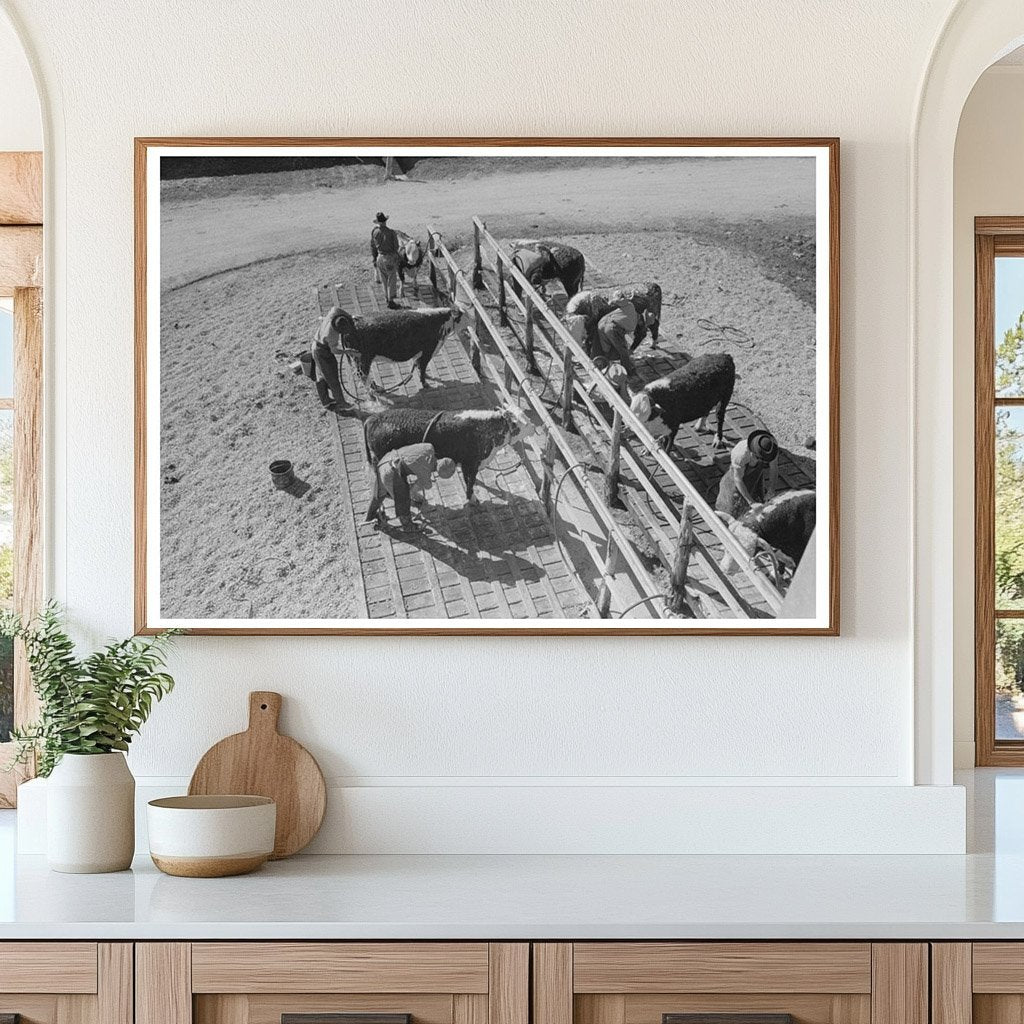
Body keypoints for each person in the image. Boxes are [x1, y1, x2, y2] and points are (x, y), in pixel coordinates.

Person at [365, 442, 457, 529]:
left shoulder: (429, 447)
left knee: (379, 493)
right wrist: (412, 496)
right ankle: (408, 526)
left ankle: (370, 516)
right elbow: (415, 490)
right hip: (391, 473)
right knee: (403, 500)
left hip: (385, 460)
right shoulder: (425, 472)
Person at [715, 429, 780, 519]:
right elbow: (738, 479)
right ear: (753, 453)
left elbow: (774, 468)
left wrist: (771, 490)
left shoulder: (771, 448)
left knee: (758, 495)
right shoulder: (740, 455)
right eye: (759, 458)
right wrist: (751, 503)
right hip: (738, 476)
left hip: (755, 473)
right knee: (732, 502)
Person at [594, 298, 638, 374]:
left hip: (602, 323)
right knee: (623, 350)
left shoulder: (628, 307)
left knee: (606, 348)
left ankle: (605, 367)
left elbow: (621, 301)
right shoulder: (632, 322)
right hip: (612, 327)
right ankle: (627, 371)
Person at [370, 211, 402, 309]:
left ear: (378, 222)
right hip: (389, 258)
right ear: (385, 221)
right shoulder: (391, 232)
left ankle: (386, 298)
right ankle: (391, 300)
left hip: (379, 257)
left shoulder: (374, 232)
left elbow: (373, 246)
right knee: (391, 279)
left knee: (384, 279)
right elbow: (396, 247)